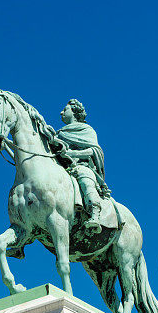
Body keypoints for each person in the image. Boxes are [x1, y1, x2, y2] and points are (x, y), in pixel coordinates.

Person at [48, 99, 110, 231]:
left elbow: (94, 151)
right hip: (61, 166)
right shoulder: (59, 134)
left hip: (80, 166)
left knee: (84, 176)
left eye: (65, 110)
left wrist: (73, 154)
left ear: (75, 111)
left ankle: (94, 213)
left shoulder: (86, 130)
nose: (61, 112)